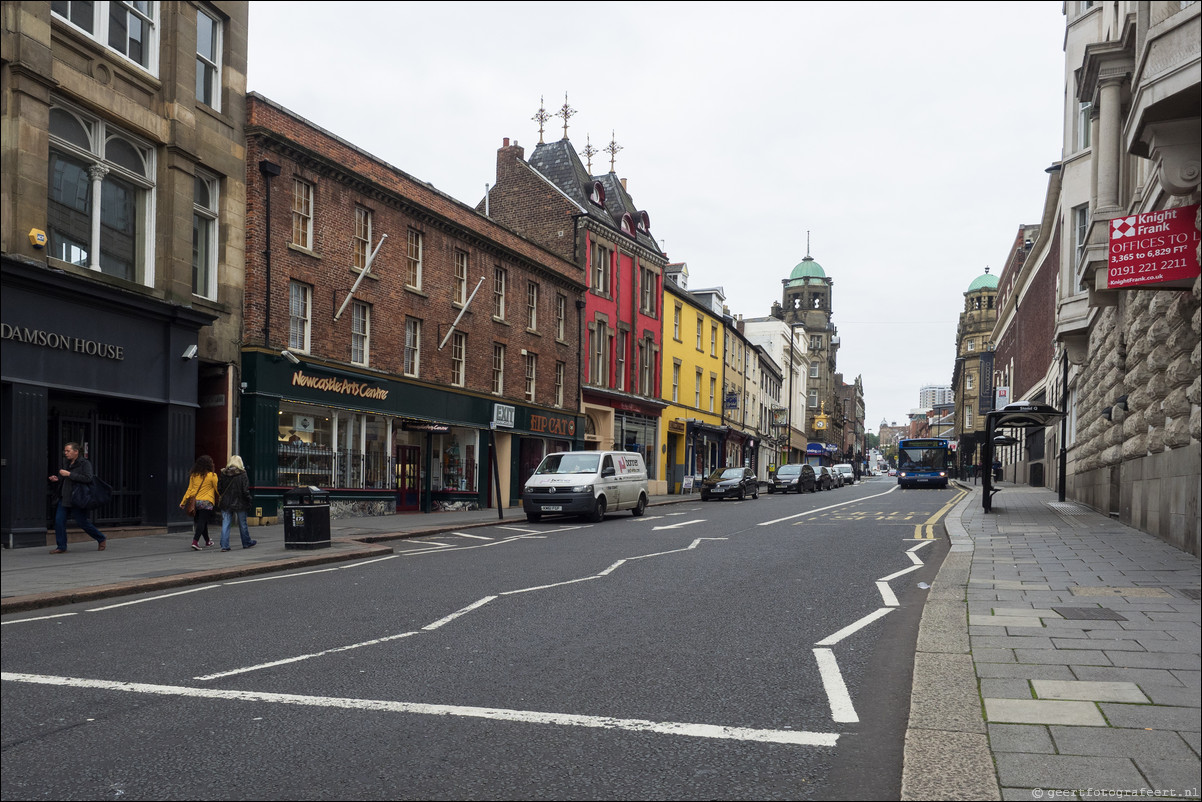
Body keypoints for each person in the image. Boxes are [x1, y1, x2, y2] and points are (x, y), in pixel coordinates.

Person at [47, 442, 107, 553]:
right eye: (65, 451)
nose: (66, 453)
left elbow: (88, 478)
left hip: (78, 497)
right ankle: (61, 546)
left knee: (82, 522)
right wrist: (57, 479)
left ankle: (101, 538)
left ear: (76, 451)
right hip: (64, 496)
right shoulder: (66, 462)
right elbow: (65, 479)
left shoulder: (85, 463)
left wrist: (69, 474)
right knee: (59, 521)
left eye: (68, 451)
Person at [217, 455, 257, 552]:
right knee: (242, 524)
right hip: (240, 502)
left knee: (226, 523)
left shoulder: (223, 473)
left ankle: (224, 545)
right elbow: (245, 490)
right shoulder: (242, 474)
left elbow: (219, 488)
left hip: (226, 502)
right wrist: (249, 500)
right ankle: (246, 542)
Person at [180, 455, 219, 550]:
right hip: (207, 502)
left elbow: (189, 489)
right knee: (202, 522)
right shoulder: (212, 476)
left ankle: (207, 541)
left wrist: (183, 502)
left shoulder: (194, 475)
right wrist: (223, 497)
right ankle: (195, 542)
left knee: (203, 522)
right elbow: (218, 489)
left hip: (196, 502)